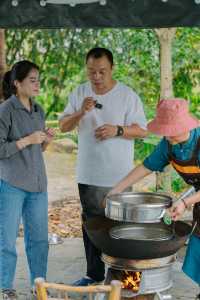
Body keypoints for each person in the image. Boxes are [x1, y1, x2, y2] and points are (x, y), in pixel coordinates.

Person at [59, 47, 147, 286]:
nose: (96, 77)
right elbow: (63, 127)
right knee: (92, 226)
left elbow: (142, 130)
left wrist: (117, 129)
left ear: (112, 69)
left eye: (102, 72)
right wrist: (80, 112)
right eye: (91, 72)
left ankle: (126, 280)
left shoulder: (127, 95)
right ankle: (94, 275)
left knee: (122, 228)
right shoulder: (79, 93)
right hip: (88, 175)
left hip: (120, 177)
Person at [107, 98, 200, 291]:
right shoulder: (168, 144)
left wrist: (185, 202)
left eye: (171, 131)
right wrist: (116, 190)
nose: (167, 136)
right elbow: (147, 166)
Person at [0, 61, 54, 299]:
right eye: (32, 80)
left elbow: (37, 149)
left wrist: (45, 140)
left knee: (40, 239)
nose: (37, 84)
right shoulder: (6, 110)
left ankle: (38, 284)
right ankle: (6, 286)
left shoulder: (39, 110)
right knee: (7, 239)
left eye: (38, 80)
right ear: (17, 83)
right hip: (11, 183)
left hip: (38, 185)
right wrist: (27, 140)